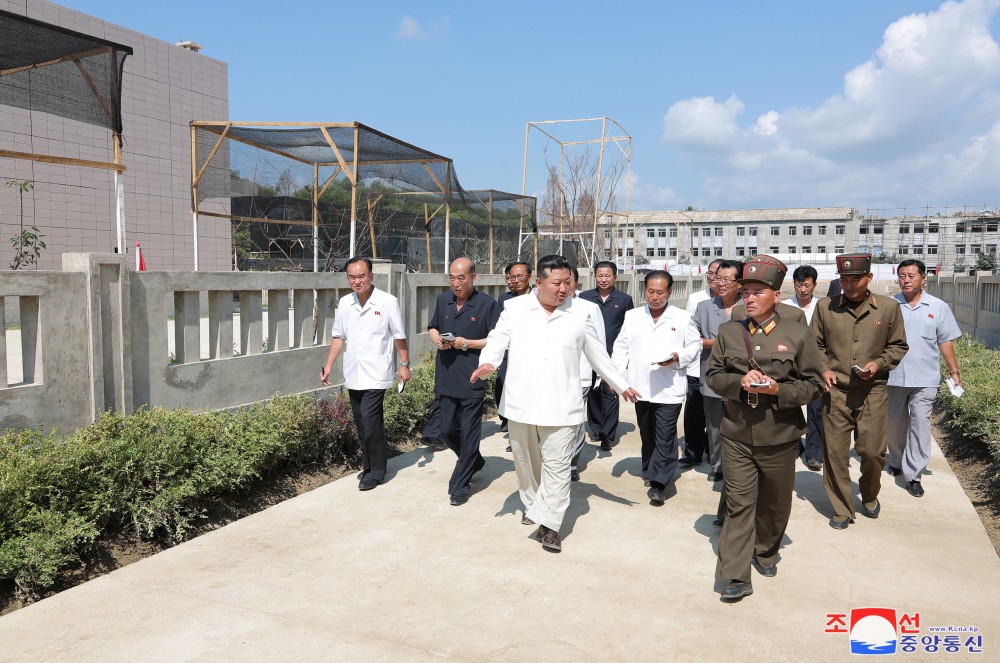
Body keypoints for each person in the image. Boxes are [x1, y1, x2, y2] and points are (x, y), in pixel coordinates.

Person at [471, 255, 641, 552]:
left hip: (563, 404)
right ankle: (534, 505)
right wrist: (489, 363)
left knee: (559, 467)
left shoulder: (580, 312)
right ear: (539, 283)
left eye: (567, 283)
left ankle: (550, 526)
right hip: (521, 403)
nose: (564, 289)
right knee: (526, 465)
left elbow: (597, 353)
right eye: (557, 283)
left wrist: (620, 383)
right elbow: (497, 339)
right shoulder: (515, 308)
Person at [706, 255, 824, 601]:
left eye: (758, 291)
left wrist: (779, 390)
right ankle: (733, 575)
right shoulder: (730, 332)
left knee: (774, 506)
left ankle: (766, 549)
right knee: (740, 505)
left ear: (775, 295)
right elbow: (713, 376)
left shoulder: (798, 333)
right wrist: (739, 380)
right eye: (746, 292)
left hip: (780, 435)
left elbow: (814, 384)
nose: (750, 298)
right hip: (738, 433)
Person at [812, 253, 908, 529]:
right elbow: (815, 344)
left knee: (873, 451)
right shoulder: (825, 307)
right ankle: (842, 508)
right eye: (844, 279)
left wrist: (877, 365)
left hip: (873, 391)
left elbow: (898, 346)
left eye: (856, 279)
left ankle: (869, 494)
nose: (849, 284)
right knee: (835, 454)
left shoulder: (888, 308)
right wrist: (824, 369)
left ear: (869, 278)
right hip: (836, 392)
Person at [321, 257, 410, 491]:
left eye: (362, 276)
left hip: (377, 372)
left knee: (370, 421)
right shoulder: (345, 303)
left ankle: (377, 471)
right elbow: (339, 336)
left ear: (371, 276)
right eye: (352, 277)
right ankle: (369, 465)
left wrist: (404, 364)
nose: (357, 281)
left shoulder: (388, 302)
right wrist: (329, 364)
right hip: (354, 372)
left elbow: (399, 335)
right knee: (362, 423)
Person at [613, 270, 701, 504]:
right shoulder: (633, 316)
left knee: (665, 433)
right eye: (650, 291)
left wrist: (677, 356)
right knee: (647, 431)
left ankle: (659, 482)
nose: (654, 297)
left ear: (669, 293)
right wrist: (614, 379)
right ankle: (649, 468)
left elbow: (695, 346)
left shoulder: (682, 318)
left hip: (669, 386)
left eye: (660, 292)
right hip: (640, 386)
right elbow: (621, 348)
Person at [887, 259, 962, 498]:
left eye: (911, 275)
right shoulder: (890, 307)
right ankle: (897, 460)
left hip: (925, 378)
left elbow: (945, 341)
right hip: (893, 376)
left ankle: (914, 474)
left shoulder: (938, 307)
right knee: (896, 425)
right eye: (901, 276)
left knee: (920, 424)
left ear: (923, 279)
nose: (906, 280)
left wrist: (954, 372)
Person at [428, 257, 500, 506]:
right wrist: (437, 339)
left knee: (469, 433)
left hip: (472, 376)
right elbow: (432, 327)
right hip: (447, 374)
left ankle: (460, 484)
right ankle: (475, 461)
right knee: (447, 430)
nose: (455, 283)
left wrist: (465, 343)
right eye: (452, 278)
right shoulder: (442, 300)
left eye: (461, 278)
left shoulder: (487, 305)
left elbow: (495, 340)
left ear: (473, 277)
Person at [693, 260, 743, 482]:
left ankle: (739, 465)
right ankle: (718, 465)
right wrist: (719, 343)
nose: (720, 283)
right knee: (714, 426)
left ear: (739, 283)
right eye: (717, 278)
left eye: (726, 279)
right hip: (712, 374)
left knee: (741, 423)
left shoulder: (748, 307)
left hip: (742, 377)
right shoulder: (704, 307)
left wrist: (714, 341)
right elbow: (692, 338)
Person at [580, 261, 634, 451]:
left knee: (611, 391)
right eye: (600, 275)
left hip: (613, 354)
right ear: (595, 276)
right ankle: (595, 429)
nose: (603, 279)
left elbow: (629, 328)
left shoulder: (625, 300)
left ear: (615, 277)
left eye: (607, 275)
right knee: (593, 393)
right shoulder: (584, 298)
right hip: (589, 354)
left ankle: (608, 434)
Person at [681, 259, 722, 466]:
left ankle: (715, 452)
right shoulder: (696, 299)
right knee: (694, 413)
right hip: (697, 366)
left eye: (717, 273)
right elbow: (690, 332)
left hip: (722, 371)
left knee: (717, 417)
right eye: (710, 272)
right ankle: (693, 451)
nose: (712, 277)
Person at [786, 264, 824, 471]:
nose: (802, 289)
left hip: (815, 365)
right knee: (788, 407)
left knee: (816, 410)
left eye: (806, 285)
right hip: (789, 365)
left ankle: (814, 453)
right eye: (799, 285)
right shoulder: (784, 306)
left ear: (814, 285)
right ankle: (793, 446)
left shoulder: (823, 307)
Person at [567, 266, 604, 482]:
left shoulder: (588, 308)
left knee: (575, 419)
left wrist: (601, 373)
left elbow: (599, 342)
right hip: (553, 377)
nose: (564, 286)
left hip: (580, 375)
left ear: (576, 284)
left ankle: (572, 462)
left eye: (568, 281)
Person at [496, 261, 533, 434]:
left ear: (529, 277)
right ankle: (508, 421)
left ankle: (517, 433)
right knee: (502, 385)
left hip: (530, 353)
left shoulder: (538, 298)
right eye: (512, 277)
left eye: (520, 276)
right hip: (508, 352)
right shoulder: (505, 299)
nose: (515, 280)